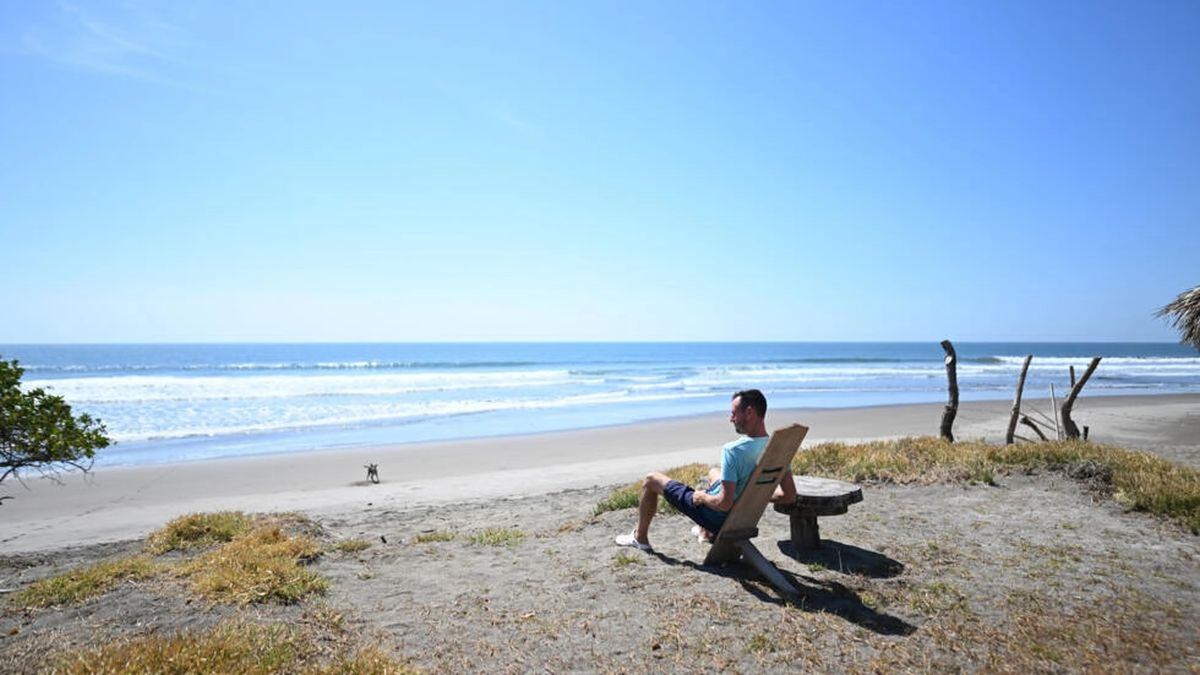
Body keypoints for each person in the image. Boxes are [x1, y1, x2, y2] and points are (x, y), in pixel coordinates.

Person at [615, 389, 797, 551]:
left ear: (749, 412)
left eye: (734, 413)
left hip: (719, 517)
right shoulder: (777, 449)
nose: (730, 418)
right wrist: (753, 496)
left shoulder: (733, 451)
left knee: (651, 480)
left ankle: (640, 538)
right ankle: (705, 533)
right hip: (744, 516)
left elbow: (724, 503)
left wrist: (702, 497)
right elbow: (789, 495)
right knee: (713, 472)